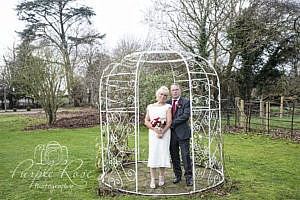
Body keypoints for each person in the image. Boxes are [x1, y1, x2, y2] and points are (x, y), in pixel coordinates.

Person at [144, 86, 172, 189]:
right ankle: (152, 179)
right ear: (157, 95)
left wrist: (162, 132)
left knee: (163, 154)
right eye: (161, 94)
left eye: (165, 95)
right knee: (153, 154)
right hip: (153, 133)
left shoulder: (168, 106)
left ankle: (161, 177)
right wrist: (154, 129)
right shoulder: (150, 106)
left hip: (164, 133)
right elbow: (146, 120)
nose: (163, 97)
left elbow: (169, 122)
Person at [167, 83, 193, 186]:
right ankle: (177, 175)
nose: (175, 91)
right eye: (173, 90)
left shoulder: (186, 102)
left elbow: (185, 116)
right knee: (174, 156)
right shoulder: (167, 103)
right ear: (170, 92)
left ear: (180, 91)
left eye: (177, 89)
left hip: (183, 133)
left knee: (185, 155)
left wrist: (171, 123)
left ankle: (188, 177)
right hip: (171, 134)